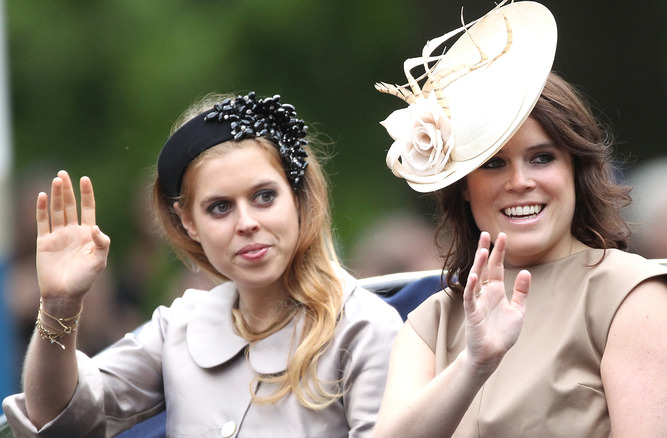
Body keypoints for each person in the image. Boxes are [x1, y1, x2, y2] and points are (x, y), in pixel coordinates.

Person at [371, 2, 667, 437]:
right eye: (493, 164)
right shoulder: (431, 320)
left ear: (575, 170)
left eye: (542, 158)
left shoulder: (632, 296)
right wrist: (475, 364)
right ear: (464, 185)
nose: (520, 181)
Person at [2, 91, 402, 437]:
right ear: (188, 222)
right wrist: (59, 306)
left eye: (264, 196)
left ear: (297, 199)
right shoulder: (179, 328)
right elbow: (57, 420)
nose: (247, 223)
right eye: (220, 207)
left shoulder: (364, 328)